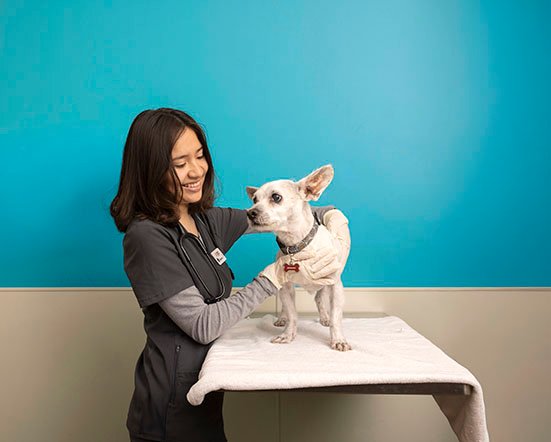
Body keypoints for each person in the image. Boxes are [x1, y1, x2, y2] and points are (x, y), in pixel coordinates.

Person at [110, 108, 351, 442]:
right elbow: (203, 325)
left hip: (207, 390)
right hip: (169, 410)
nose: (196, 171)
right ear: (151, 170)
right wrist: (274, 277)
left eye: (199, 156)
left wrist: (336, 220)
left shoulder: (207, 220)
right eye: (180, 164)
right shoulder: (147, 237)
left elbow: (284, 214)